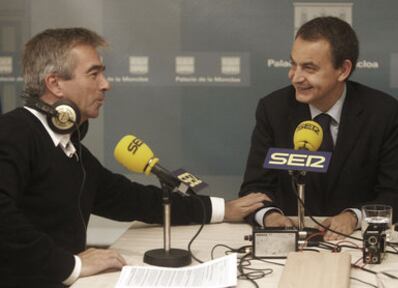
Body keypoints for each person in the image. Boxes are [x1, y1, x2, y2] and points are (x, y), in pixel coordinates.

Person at [0, 27, 269, 288]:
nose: (106, 85)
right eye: (94, 75)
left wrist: (222, 209)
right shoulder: (13, 133)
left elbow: (131, 199)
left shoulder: (69, 148)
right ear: (55, 83)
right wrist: (71, 265)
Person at [240, 16, 398, 241]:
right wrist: (271, 216)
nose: (295, 77)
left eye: (309, 68)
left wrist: (353, 217)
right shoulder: (273, 109)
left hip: (353, 241)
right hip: (288, 241)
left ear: (343, 70)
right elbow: (255, 188)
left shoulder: (383, 112)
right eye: (293, 64)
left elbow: (396, 195)